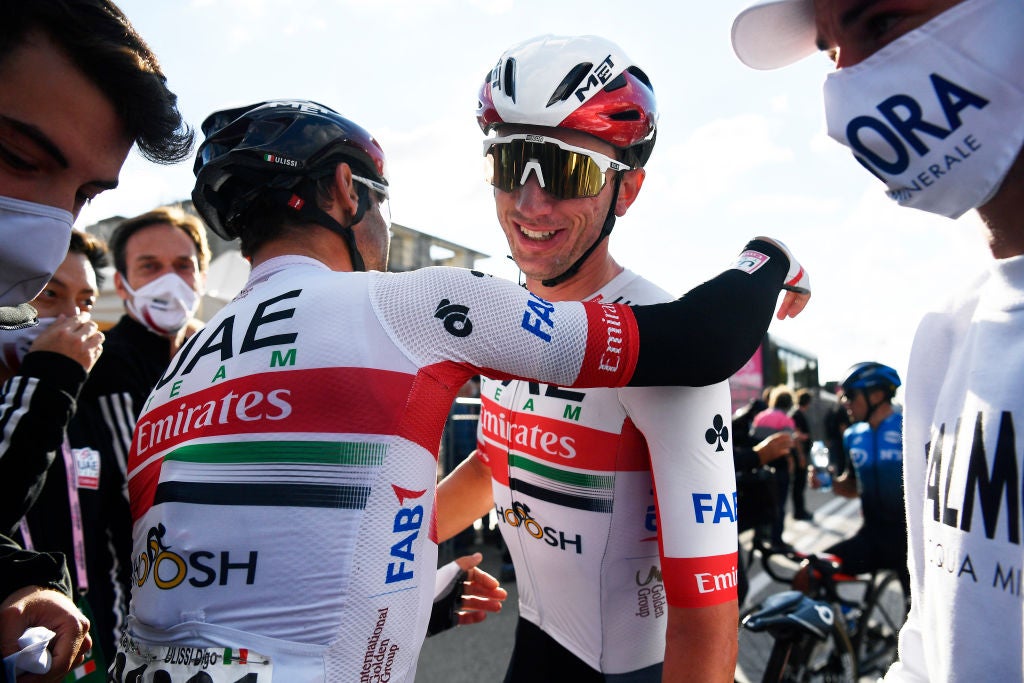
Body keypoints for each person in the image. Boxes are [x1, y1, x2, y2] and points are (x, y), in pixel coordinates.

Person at [111, 98, 810, 682]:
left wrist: (417, 587)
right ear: (350, 193)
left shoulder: (183, 364)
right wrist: (772, 258)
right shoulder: (408, 303)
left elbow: (277, 548)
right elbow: (700, 339)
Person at [432, 35, 803, 682]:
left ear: (626, 191)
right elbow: (497, 462)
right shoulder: (506, 318)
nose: (529, 202)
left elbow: (705, 620)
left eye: (567, 171)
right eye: (510, 161)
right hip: (536, 644)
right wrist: (391, 537)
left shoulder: (661, 338)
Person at [731, 1, 1024, 678]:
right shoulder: (944, 342)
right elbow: (929, 650)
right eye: (830, 54)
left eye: (881, 22)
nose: (850, 85)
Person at [0, 0, 191, 677]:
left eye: (83, 193)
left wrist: (18, 584)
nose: (43, 234)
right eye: (18, 158)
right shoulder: (77, 375)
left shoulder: (205, 365)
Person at [1, 231, 110, 678]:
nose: (73, 319)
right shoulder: (56, 382)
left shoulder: (77, 395)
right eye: (47, 297)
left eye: (85, 302)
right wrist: (49, 379)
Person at [799, 363, 907, 593]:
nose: (844, 402)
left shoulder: (909, 429)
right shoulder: (853, 435)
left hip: (911, 543)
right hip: (872, 537)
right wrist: (828, 482)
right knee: (808, 573)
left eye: (850, 395)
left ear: (877, 395)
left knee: (921, 621)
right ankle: (843, 623)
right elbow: (853, 486)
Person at [751, 385, 797, 548]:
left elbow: (752, 439)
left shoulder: (760, 416)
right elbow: (787, 446)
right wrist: (792, 462)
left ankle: (758, 538)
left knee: (760, 501)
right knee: (779, 504)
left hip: (759, 466)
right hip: (779, 468)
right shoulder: (786, 420)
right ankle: (776, 540)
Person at [790, 388, 813, 521]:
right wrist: (801, 456)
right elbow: (797, 436)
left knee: (800, 485)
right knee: (798, 485)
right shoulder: (797, 414)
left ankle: (800, 510)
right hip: (799, 455)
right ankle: (799, 512)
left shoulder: (798, 413)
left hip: (801, 454)